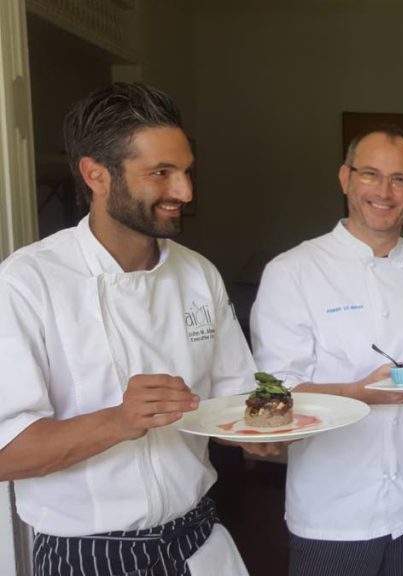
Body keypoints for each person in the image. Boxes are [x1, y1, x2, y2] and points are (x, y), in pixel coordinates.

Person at [0, 83, 255, 575]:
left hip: (201, 542)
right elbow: (6, 454)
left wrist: (263, 434)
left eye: (185, 172)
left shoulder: (198, 272)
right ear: (96, 174)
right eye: (161, 173)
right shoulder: (27, 283)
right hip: (89, 556)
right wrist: (118, 421)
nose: (184, 192)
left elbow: (234, 403)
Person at [250, 126, 403, 576]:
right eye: (370, 174)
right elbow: (277, 394)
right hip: (334, 513)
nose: (384, 192)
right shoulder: (292, 272)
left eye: (401, 179)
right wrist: (359, 391)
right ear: (345, 178)